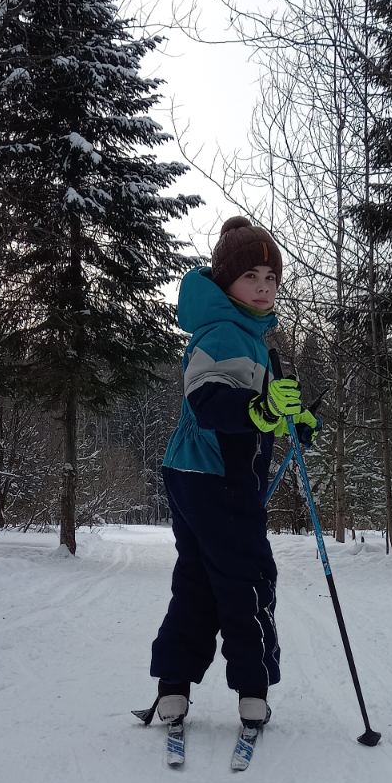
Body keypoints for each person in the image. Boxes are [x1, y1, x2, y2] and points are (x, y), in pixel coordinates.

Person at [148, 215, 317, 730]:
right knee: (246, 577)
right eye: (251, 277)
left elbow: (254, 401)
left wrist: (293, 416)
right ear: (226, 282)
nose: (263, 288)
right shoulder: (225, 332)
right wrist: (262, 412)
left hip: (195, 476)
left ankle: (173, 688)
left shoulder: (245, 333)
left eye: (271, 278)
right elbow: (208, 402)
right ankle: (253, 688)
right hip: (218, 477)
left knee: (198, 580)